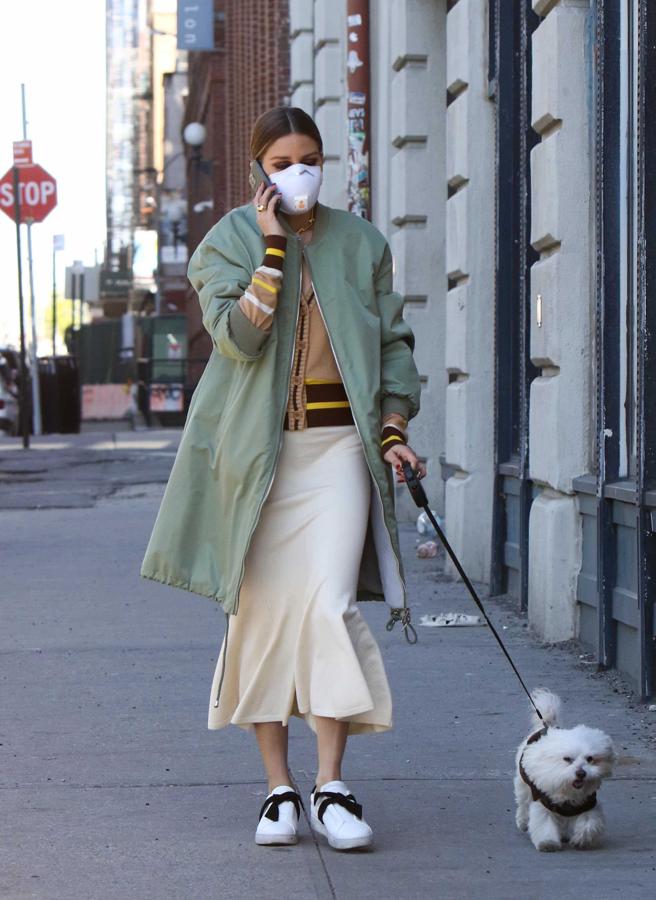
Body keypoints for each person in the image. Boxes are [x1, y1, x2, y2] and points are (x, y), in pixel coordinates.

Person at [140, 106, 426, 851]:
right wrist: (271, 250)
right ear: (258, 171)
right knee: (259, 618)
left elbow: (393, 345)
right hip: (255, 456)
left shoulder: (361, 243)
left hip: (338, 452)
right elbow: (236, 336)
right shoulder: (224, 242)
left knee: (330, 608)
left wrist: (393, 428)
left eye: (310, 157)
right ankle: (277, 791)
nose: (299, 171)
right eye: (282, 161)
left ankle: (332, 785)